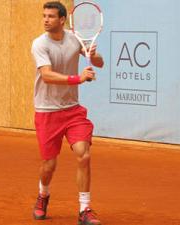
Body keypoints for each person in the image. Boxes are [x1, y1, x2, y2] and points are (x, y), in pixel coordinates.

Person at [31, 1, 104, 225]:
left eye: (51, 16)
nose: (45, 20)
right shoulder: (39, 44)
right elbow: (47, 75)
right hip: (47, 111)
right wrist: (78, 78)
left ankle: (85, 209)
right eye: (44, 16)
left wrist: (94, 55)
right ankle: (43, 195)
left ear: (62, 20)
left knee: (84, 154)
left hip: (72, 111)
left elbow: (99, 64)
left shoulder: (74, 39)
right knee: (48, 165)